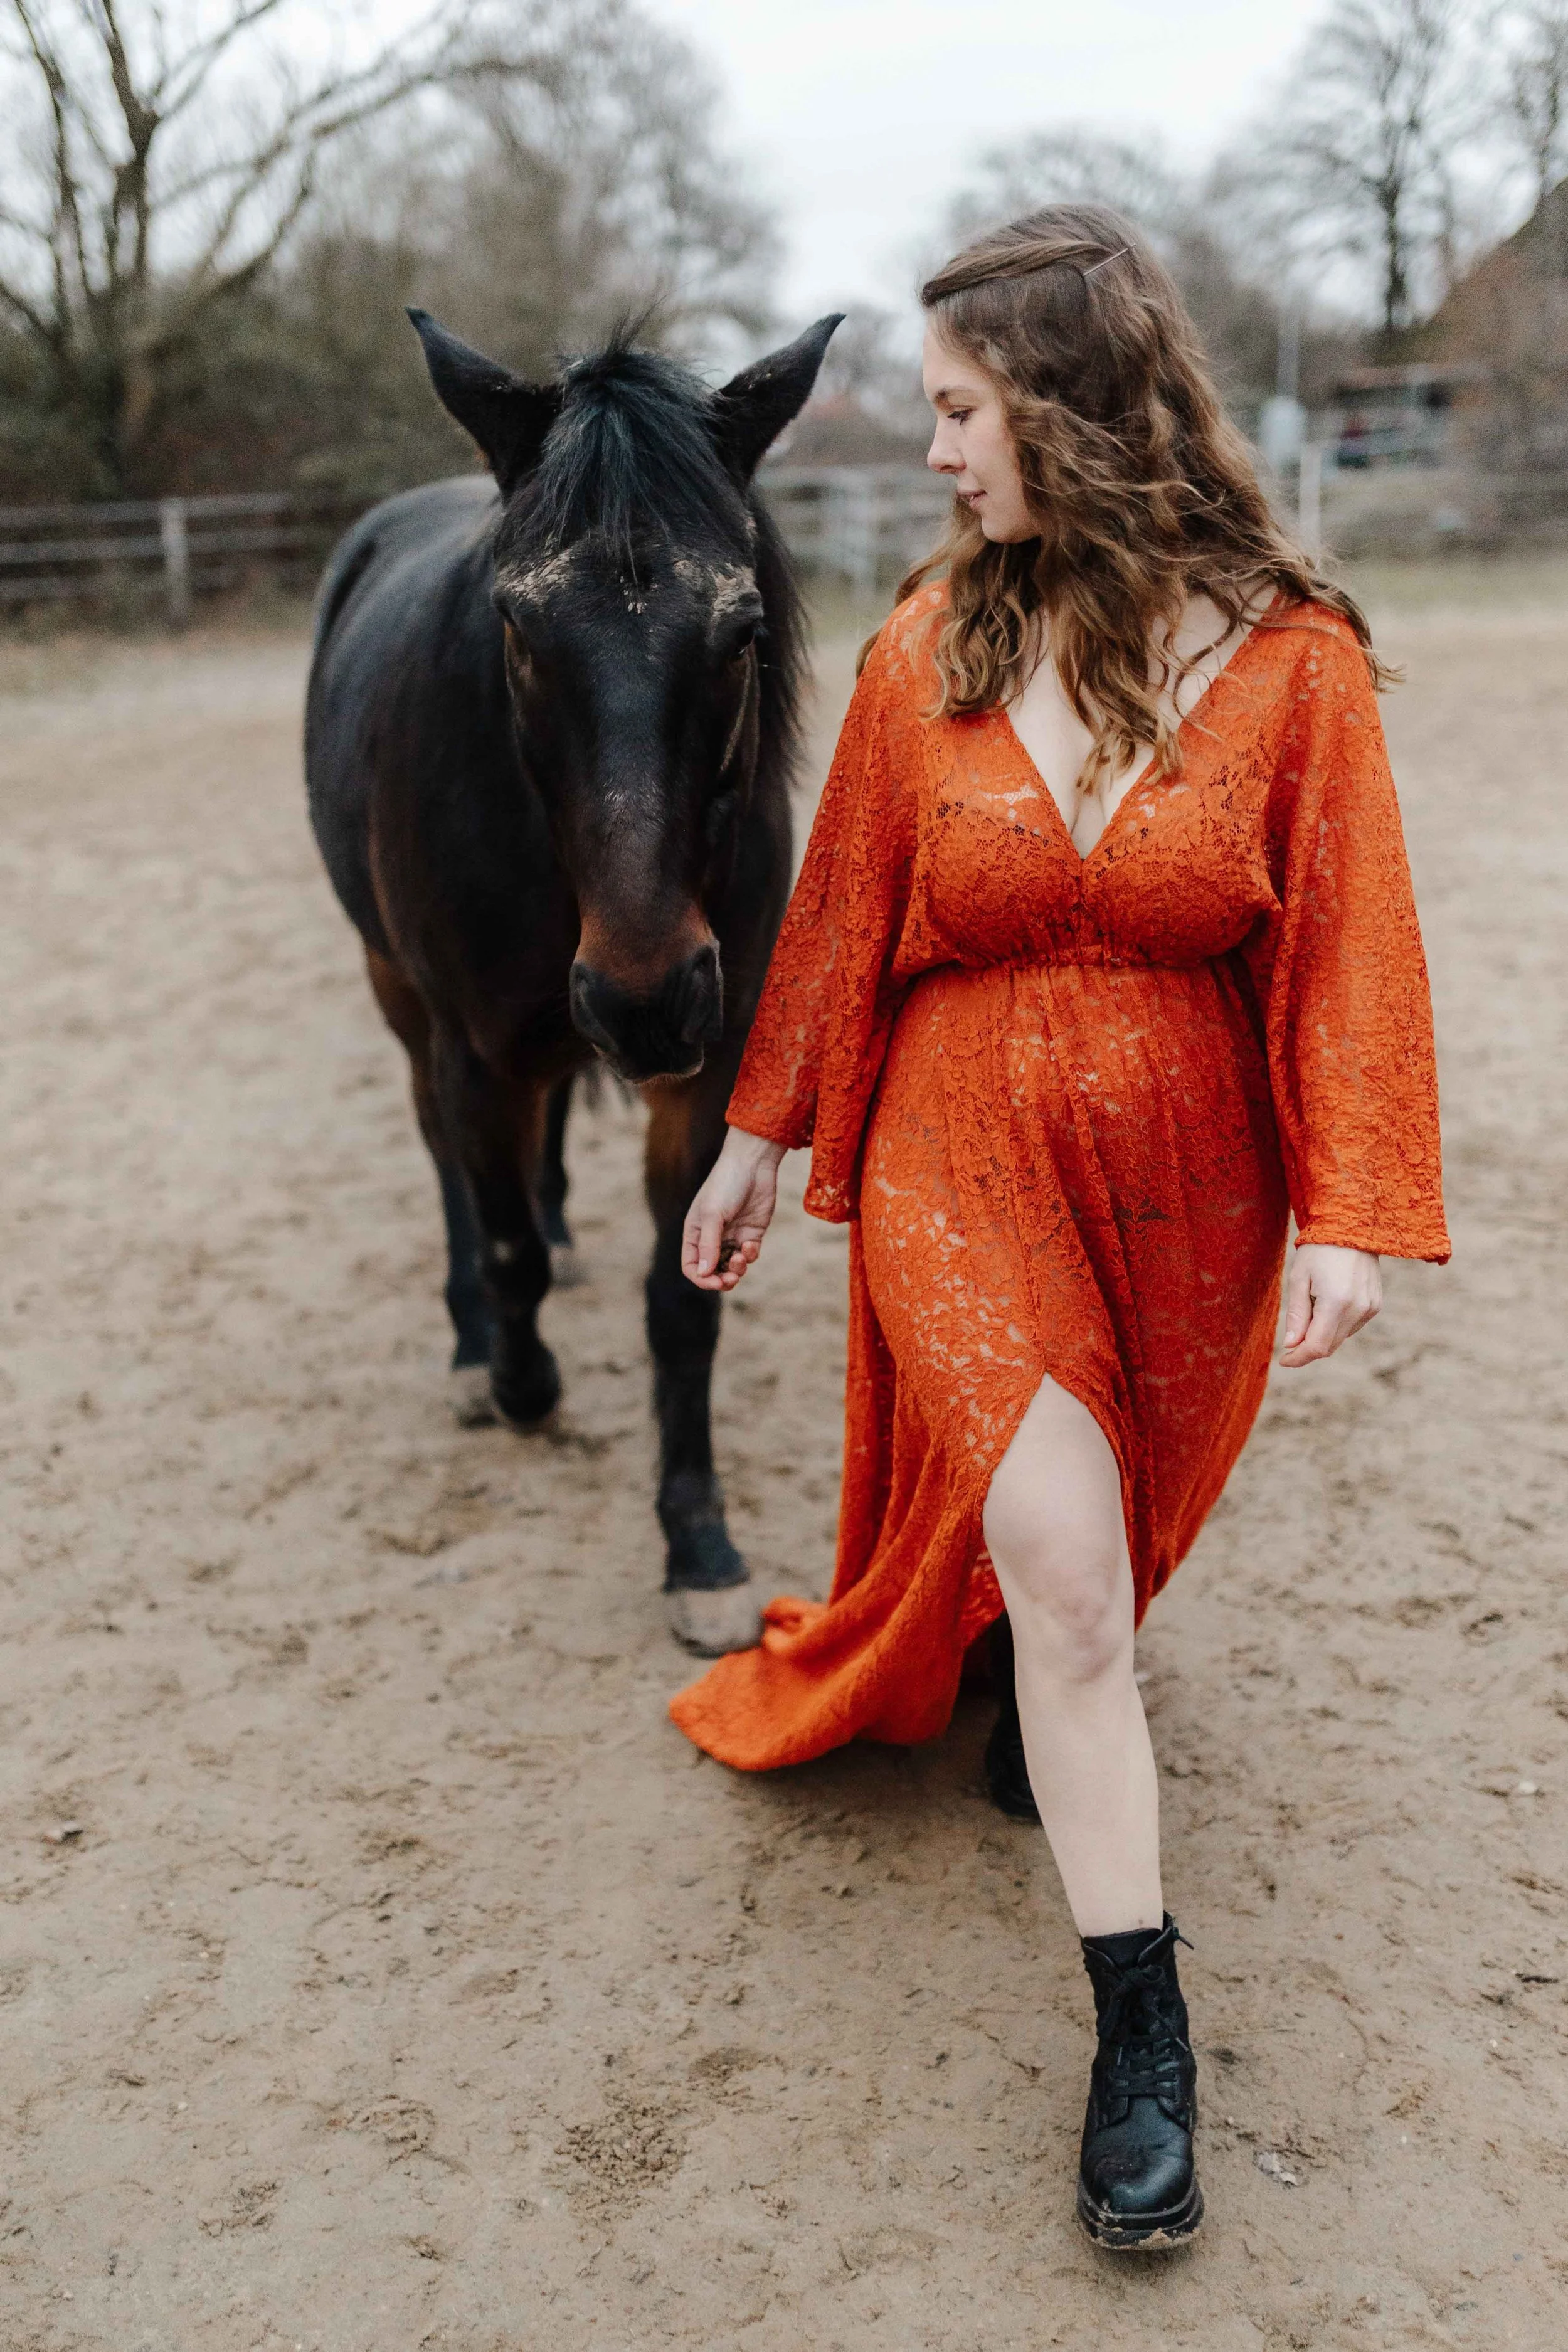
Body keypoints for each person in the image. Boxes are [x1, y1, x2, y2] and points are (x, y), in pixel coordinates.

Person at [675, 205, 1449, 2251]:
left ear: (1073, 405)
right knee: (1072, 1581)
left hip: (1194, 1189)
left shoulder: (1292, 658)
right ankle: (1142, 2039)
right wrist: (750, 1143)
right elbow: (840, 913)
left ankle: (1031, 1677)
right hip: (959, 1155)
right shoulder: (927, 647)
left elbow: (1352, 944)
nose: (933, 450)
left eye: (958, 410)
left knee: (1098, 1562)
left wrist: (1350, 1211)